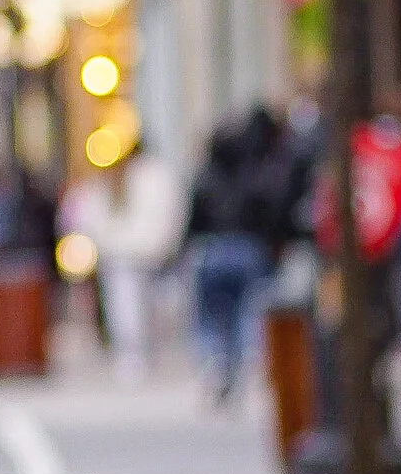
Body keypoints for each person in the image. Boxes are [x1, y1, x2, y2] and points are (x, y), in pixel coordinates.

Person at [65, 138, 183, 380]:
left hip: (135, 251)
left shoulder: (149, 179)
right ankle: (136, 355)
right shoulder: (116, 182)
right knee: (128, 306)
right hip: (127, 253)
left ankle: (139, 354)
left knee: (133, 306)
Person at [183, 114, 279, 403]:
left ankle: (217, 364)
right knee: (246, 313)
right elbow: (267, 219)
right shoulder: (255, 178)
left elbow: (193, 221)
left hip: (212, 252)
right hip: (247, 251)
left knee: (212, 317)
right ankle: (248, 364)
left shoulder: (204, 179)